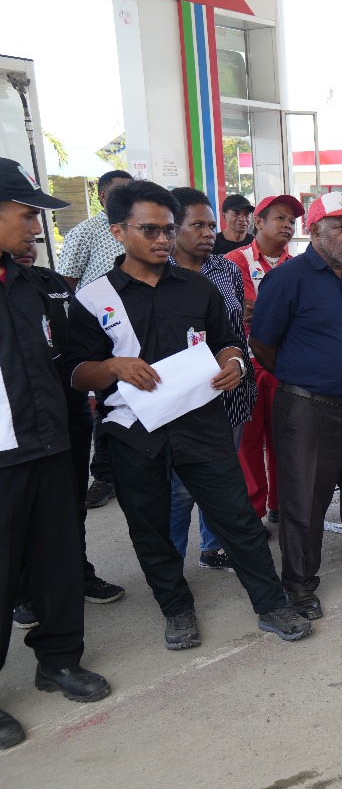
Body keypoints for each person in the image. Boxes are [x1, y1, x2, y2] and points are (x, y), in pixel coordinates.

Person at [66, 180, 311, 649]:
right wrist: (113, 367)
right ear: (118, 232)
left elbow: (229, 341)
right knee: (150, 528)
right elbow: (76, 373)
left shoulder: (199, 288)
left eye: (167, 229)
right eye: (150, 230)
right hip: (133, 431)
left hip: (201, 422)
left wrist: (234, 363)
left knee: (237, 519)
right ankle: (176, 609)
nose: (162, 239)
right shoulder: (95, 299)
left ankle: (271, 603)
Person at [0, 159, 112, 749]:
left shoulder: (35, 286)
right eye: (25, 214)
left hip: (51, 445)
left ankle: (59, 659)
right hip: (3, 457)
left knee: (59, 559)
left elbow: (66, 360)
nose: (35, 227)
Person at [250, 193, 342, 620]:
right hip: (307, 408)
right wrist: (303, 377)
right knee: (304, 500)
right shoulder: (287, 279)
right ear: (314, 230)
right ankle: (299, 584)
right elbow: (262, 343)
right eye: (341, 227)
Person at [9, 240, 127, 630]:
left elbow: (77, 345)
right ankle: (23, 591)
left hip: (68, 410)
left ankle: (78, 572)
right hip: (18, 420)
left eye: (34, 236)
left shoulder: (53, 283)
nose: (29, 241)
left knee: (69, 503)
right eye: (23, 220)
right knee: (22, 510)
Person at [166, 188, 256, 571]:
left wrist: (238, 367)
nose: (207, 233)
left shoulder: (226, 270)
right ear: (172, 228)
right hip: (181, 404)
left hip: (229, 396)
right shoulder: (157, 276)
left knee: (222, 478)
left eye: (211, 225)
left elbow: (235, 332)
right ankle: (169, 565)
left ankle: (213, 546)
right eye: (197, 225)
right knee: (180, 491)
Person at [225, 194, 303, 524]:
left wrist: (267, 312)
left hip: (286, 365)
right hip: (245, 364)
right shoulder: (234, 261)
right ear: (258, 222)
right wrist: (280, 313)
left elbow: (280, 313)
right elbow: (241, 311)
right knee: (248, 443)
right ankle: (252, 513)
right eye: (280, 218)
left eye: (292, 221)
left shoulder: (297, 265)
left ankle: (281, 505)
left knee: (286, 439)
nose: (288, 225)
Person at [60, 169, 134, 510]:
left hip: (136, 324)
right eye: (120, 191)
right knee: (107, 401)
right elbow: (66, 282)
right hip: (100, 327)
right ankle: (104, 476)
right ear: (102, 196)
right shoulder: (85, 232)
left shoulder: (140, 227)